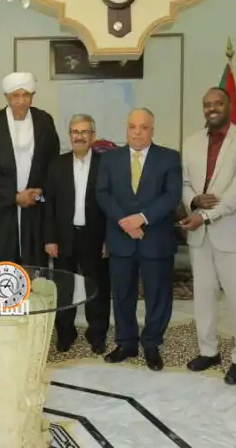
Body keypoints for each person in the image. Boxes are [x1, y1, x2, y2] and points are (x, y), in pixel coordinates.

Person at [179, 87, 236, 385]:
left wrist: (205, 215)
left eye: (217, 103)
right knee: (203, 297)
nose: (212, 108)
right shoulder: (191, 141)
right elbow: (184, 182)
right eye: (207, 104)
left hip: (234, 233)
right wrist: (193, 201)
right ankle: (208, 351)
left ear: (229, 105)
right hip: (199, 236)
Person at [96, 108, 181, 370]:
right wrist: (125, 222)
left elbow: (172, 195)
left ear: (152, 130)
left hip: (156, 239)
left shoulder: (169, 158)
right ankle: (126, 343)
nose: (137, 133)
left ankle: (152, 343)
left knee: (158, 295)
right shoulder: (110, 159)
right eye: (133, 127)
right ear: (127, 129)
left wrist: (142, 218)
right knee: (122, 294)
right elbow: (103, 193)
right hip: (121, 238)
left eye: (144, 127)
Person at [0, 72, 60, 267]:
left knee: (34, 269)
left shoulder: (43, 121)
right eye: (16, 96)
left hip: (36, 206)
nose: (21, 101)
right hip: (2, 211)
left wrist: (39, 193)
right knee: (3, 269)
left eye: (26, 95)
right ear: (7, 97)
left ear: (33, 96)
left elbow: (53, 164)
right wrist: (13, 198)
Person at [44, 114, 110, 354]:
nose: (79, 136)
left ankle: (97, 335)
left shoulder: (105, 164)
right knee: (64, 289)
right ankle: (65, 333)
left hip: (95, 237)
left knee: (98, 289)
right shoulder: (57, 164)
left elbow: (112, 205)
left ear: (93, 136)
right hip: (64, 238)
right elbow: (49, 205)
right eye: (75, 132)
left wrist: (109, 238)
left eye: (84, 132)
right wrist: (50, 239)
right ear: (69, 135)